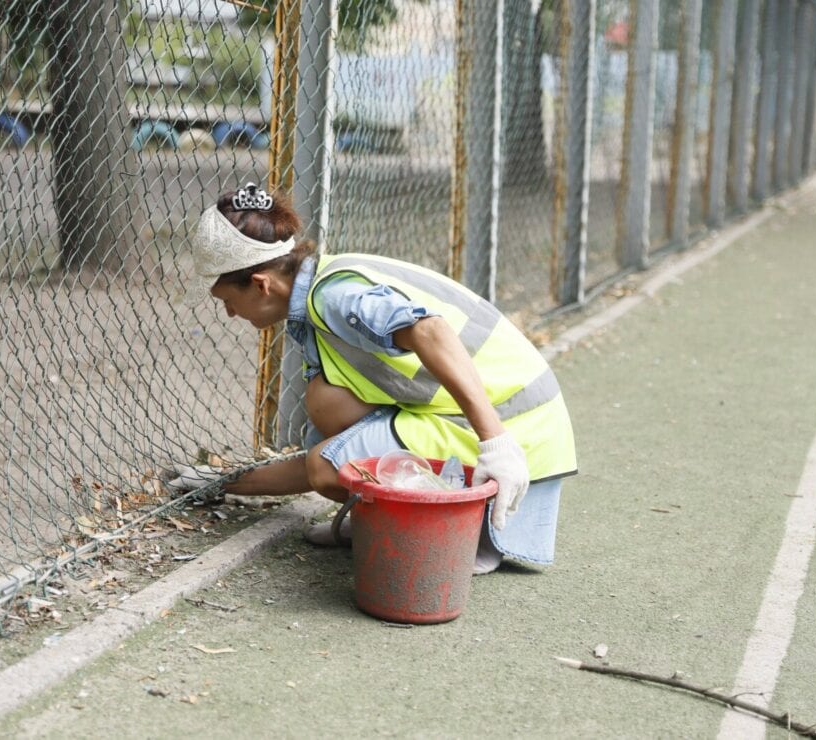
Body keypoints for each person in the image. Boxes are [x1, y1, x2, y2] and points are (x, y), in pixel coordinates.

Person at [171, 182, 577, 574]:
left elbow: (430, 330)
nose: (228, 313)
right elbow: (331, 456)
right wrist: (222, 483)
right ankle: (399, 521)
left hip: (517, 432)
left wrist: (497, 442)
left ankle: (448, 533)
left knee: (325, 444)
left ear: (261, 285)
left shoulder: (334, 297)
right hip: (503, 421)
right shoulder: (325, 282)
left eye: (227, 301)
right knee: (327, 406)